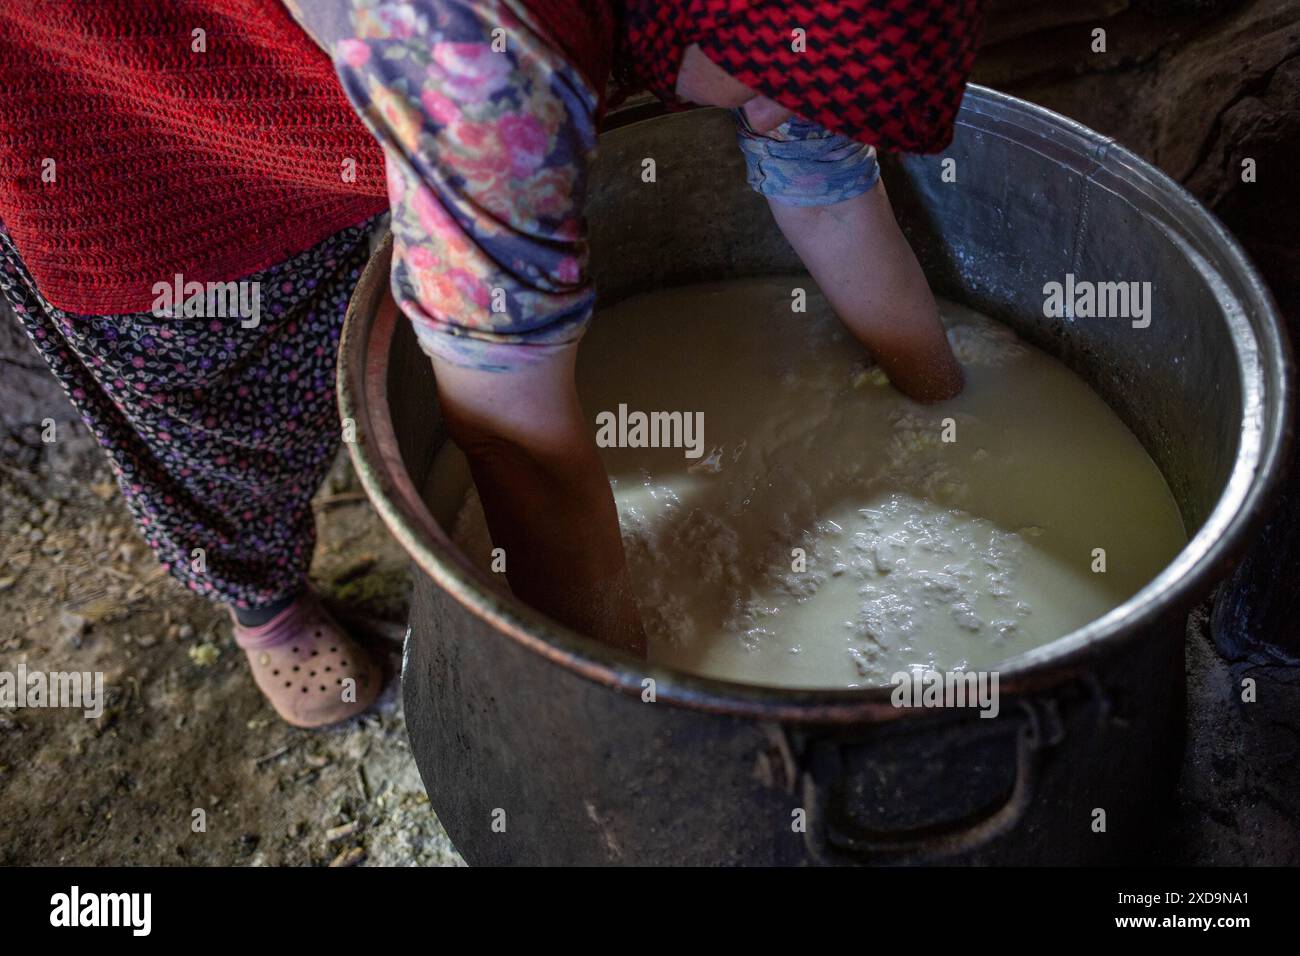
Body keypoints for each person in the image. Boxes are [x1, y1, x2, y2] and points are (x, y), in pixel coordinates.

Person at [0, 0, 981, 727]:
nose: (789, 118)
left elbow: (827, 184)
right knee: (219, 401)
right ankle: (260, 598)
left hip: (400, 82)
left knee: (438, 230)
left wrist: (938, 400)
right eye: (776, 99)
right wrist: (616, 688)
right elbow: (516, 450)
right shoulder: (474, 63)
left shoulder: (768, 30)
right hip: (142, 107)